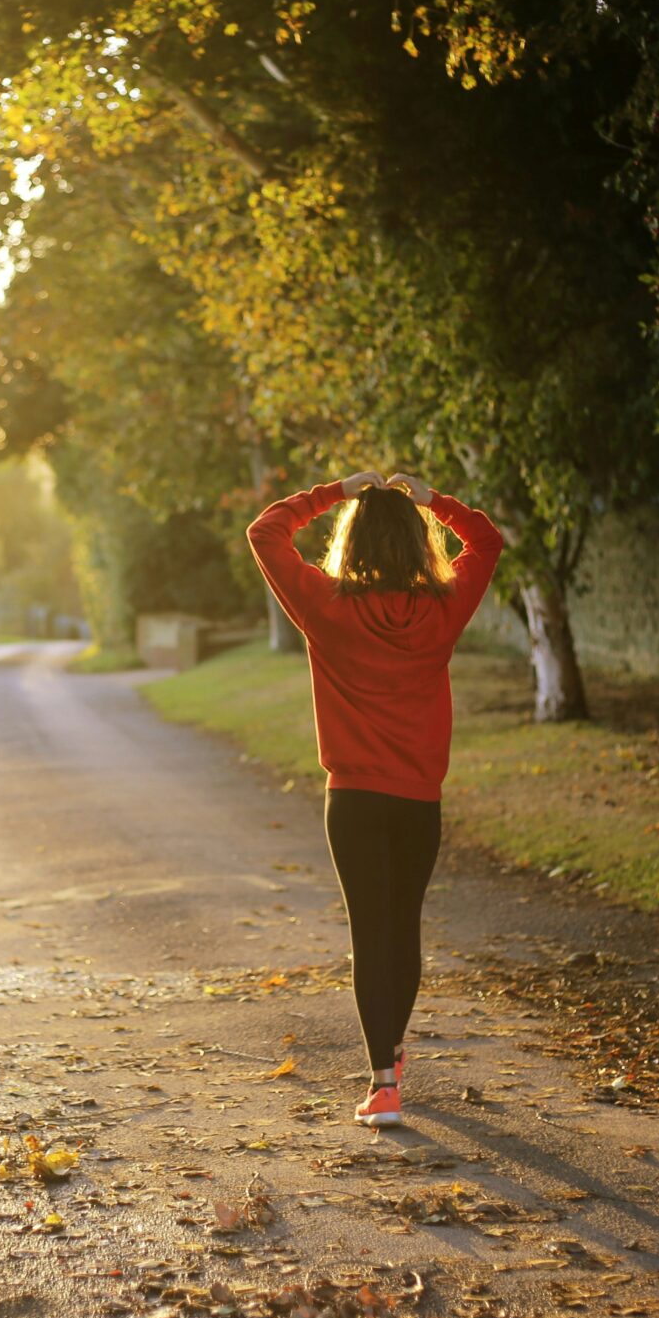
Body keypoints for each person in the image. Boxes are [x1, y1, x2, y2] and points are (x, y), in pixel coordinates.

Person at [246, 469, 504, 1127]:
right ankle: (389, 1052)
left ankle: (384, 1082)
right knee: (403, 929)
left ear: (352, 543)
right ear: (418, 545)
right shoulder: (442, 610)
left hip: (354, 801)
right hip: (418, 800)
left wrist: (335, 491)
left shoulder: (325, 606)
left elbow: (265, 531)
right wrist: (433, 501)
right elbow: (488, 540)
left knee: (370, 933)